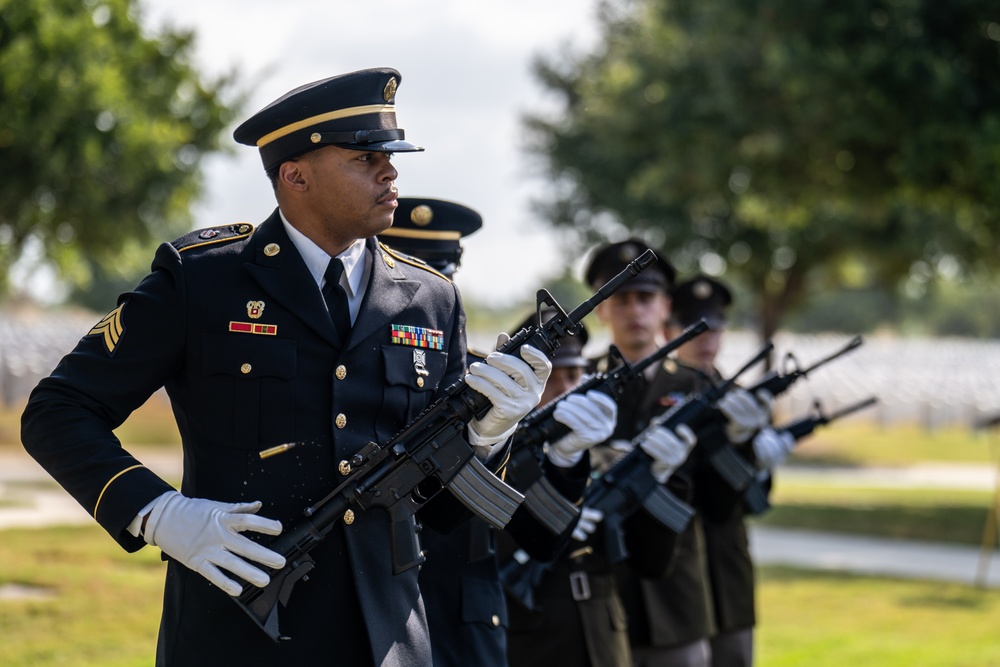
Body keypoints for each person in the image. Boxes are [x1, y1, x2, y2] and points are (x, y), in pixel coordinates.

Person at [19, 68, 552, 667]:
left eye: (392, 157)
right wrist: (157, 512)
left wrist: (487, 435)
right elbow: (56, 412)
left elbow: (444, 512)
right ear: (294, 175)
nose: (391, 173)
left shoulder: (430, 297)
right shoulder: (204, 279)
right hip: (239, 633)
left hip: (389, 637)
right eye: (364, 158)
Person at [382, 198, 615, 666]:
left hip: (464, 623)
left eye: (438, 274)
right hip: (378, 609)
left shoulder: (488, 383)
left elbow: (542, 537)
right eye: (408, 270)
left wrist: (566, 462)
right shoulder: (352, 375)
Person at [501, 242, 698, 667]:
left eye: (577, 376)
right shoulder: (502, 455)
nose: (568, 390)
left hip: (605, 636)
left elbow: (652, 560)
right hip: (534, 642)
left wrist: (658, 479)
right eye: (554, 378)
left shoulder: (593, 450)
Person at [583, 241, 770, 667]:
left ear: (666, 306)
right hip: (602, 589)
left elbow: (720, 505)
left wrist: (741, 443)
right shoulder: (579, 385)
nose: (635, 311)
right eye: (622, 299)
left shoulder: (695, 388)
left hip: (678, 596)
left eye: (646, 298)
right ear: (601, 309)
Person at [665, 275, 793, 667]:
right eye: (693, 329)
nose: (706, 339)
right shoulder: (656, 395)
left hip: (725, 562)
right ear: (668, 331)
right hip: (672, 570)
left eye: (715, 329)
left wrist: (756, 459)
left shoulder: (741, 400)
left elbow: (755, 500)